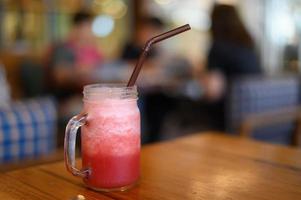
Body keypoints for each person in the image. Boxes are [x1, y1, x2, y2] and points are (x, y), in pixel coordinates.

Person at [199, 4, 262, 130]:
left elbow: (212, 92)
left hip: (228, 120)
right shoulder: (249, 45)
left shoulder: (218, 47)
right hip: (256, 117)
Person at [47, 10, 103, 101]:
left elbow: (102, 67)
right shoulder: (64, 49)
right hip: (69, 98)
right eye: (88, 27)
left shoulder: (92, 50)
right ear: (76, 28)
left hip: (89, 95)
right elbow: (59, 76)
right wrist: (82, 70)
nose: (91, 31)